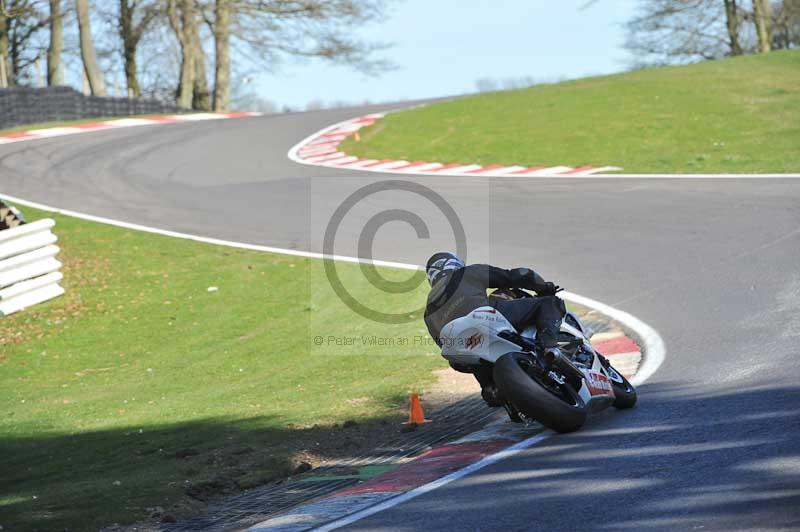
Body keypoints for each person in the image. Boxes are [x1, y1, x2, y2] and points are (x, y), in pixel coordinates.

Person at [423, 252, 566, 406]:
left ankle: (491, 388)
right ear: (454, 264)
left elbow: (442, 344)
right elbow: (519, 275)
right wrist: (545, 287)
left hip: (465, 349)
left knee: (469, 360)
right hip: (483, 318)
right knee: (548, 303)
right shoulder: (464, 273)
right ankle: (549, 346)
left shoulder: (428, 313)